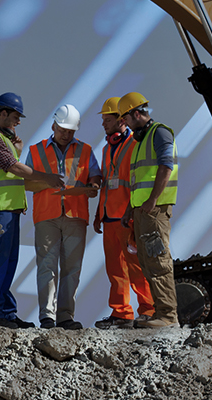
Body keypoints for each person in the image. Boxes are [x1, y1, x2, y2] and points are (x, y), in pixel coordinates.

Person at [0, 92, 64, 329]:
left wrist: (17, 149)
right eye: (15, 116)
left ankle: (6, 313)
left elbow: (10, 170)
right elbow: (12, 167)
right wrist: (48, 178)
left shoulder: (3, 140)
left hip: (8, 212)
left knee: (8, 264)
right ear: (2, 113)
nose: (19, 121)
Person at [27, 104, 99, 330]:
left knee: (72, 268)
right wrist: (46, 181)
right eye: (63, 130)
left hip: (75, 215)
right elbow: (26, 181)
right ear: (53, 125)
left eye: (71, 131)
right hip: (46, 215)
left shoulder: (85, 150)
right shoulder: (36, 150)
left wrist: (94, 184)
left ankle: (65, 316)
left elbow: (95, 174)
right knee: (47, 265)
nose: (67, 135)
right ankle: (47, 316)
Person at [118, 91, 179, 328]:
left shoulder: (159, 133)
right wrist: (129, 210)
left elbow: (166, 166)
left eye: (126, 119)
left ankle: (168, 316)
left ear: (136, 114)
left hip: (155, 211)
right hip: (143, 211)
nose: (125, 124)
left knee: (158, 261)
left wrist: (153, 200)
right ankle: (160, 312)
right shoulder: (141, 141)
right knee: (147, 261)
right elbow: (138, 182)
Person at [92, 97, 155, 328]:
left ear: (121, 120)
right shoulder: (107, 148)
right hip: (109, 217)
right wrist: (99, 213)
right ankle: (121, 314)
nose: (103, 124)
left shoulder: (134, 145)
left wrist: (133, 213)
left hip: (127, 218)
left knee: (136, 267)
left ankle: (148, 310)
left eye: (107, 119)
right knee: (115, 269)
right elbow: (108, 182)